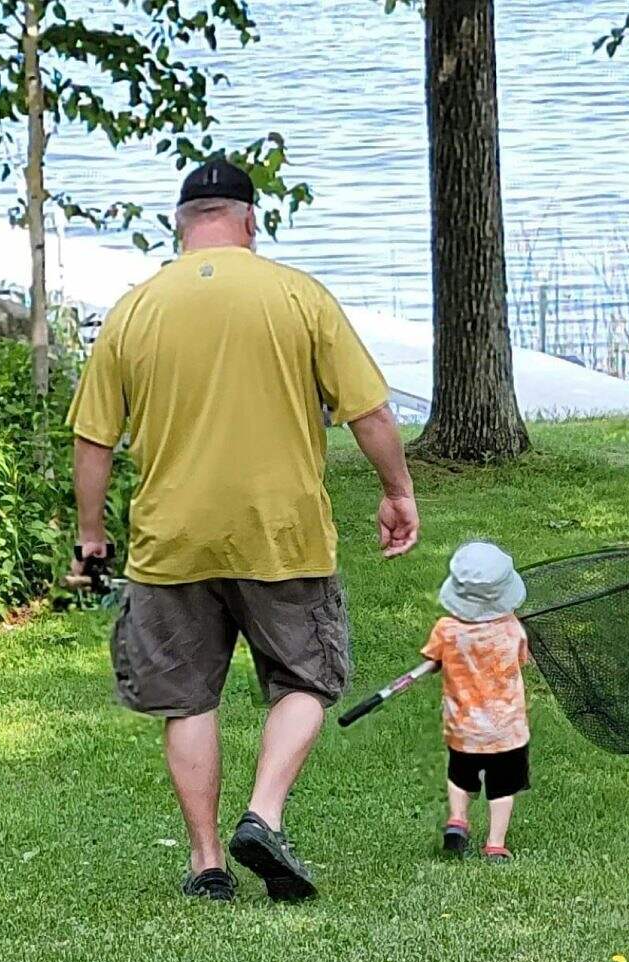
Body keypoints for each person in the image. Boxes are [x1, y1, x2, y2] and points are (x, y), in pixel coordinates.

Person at [67, 159, 419, 902]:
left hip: (172, 540)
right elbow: (371, 413)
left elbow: (93, 438)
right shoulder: (298, 295)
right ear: (251, 220)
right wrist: (397, 491)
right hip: (280, 532)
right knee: (305, 678)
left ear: (181, 223)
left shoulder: (136, 308)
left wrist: (91, 536)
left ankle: (205, 865)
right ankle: (262, 813)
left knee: (188, 699)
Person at [420, 541, 530, 862]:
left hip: (462, 728)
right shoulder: (513, 630)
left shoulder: (446, 630)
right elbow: (521, 660)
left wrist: (435, 662)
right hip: (505, 732)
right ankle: (495, 844)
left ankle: (458, 820)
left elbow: (433, 659)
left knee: (460, 778)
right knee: (502, 789)